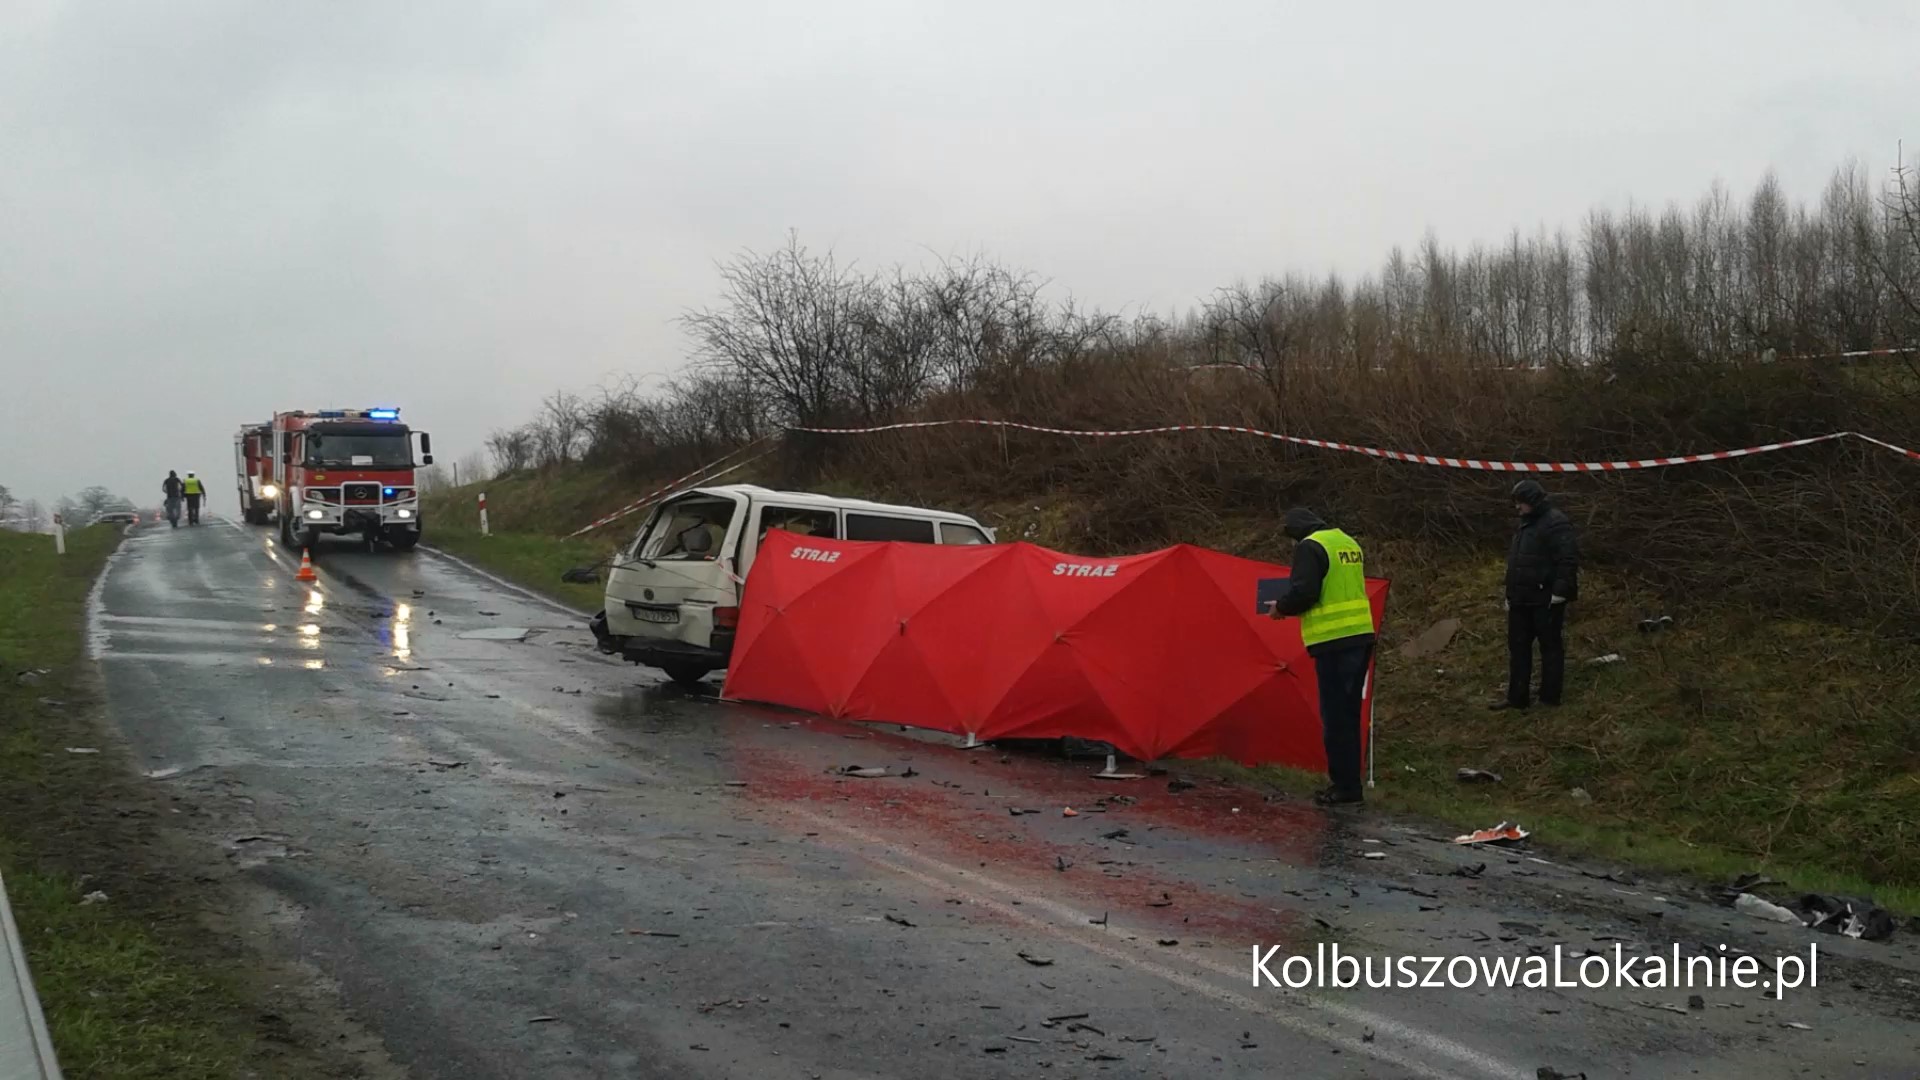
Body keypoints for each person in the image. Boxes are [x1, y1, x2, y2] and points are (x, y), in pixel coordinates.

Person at [1265, 507, 1376, 806]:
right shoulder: (1347, 542)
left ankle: (1344, 788)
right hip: (1360, 634)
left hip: (1334, 641)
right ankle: (1350, 783)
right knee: (1350, 715)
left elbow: (1306, 591)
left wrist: (1282, 608)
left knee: (1336, 716)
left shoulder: (1309, 547)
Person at [1496, 479, 1580, 711]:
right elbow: (1517, 562)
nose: (1517, 507)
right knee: (1518, 648)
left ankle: (1549, 698)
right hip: (1520, 599)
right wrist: (1510, 595)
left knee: (1550, 649)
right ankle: (1517, 697)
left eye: (1521, 503)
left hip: (1546, 599)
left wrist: (1560, 593)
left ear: (1532, 501)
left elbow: (1568, 559)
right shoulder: (1525, 524)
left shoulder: (1556, 523)